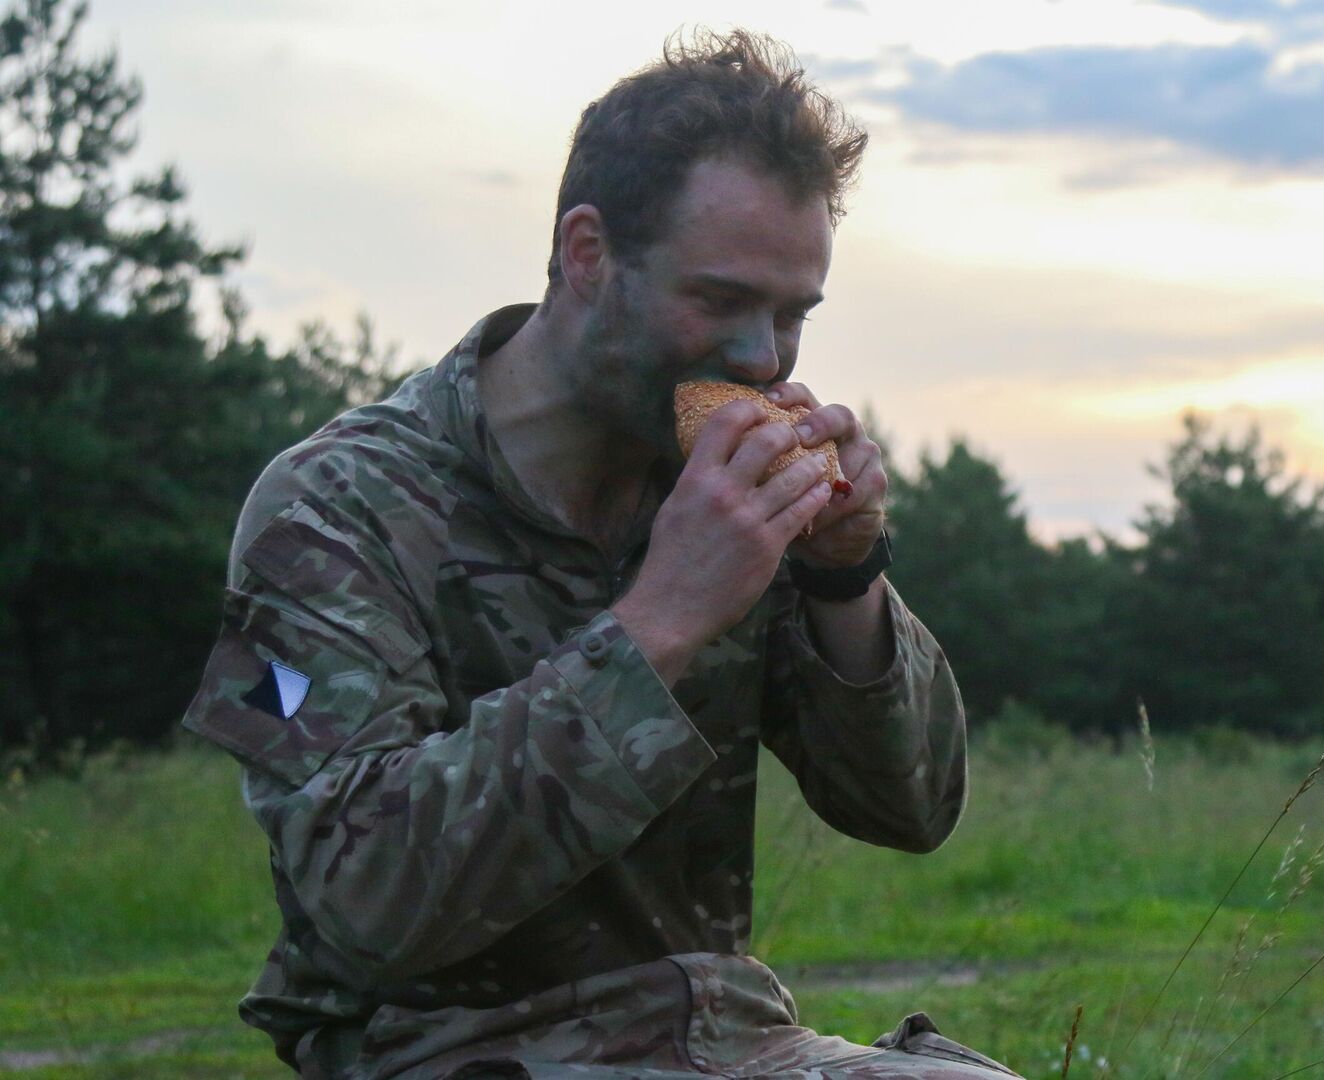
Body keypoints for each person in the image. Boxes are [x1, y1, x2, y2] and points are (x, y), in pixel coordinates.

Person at [181, 30, 1017, 1080]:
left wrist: (846, 574)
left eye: (791, 313)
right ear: (587, 254)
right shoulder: (326, 510)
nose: (762, 357)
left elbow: (911, 810)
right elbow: (358, 904)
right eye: (718, 301)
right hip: (436, 1050)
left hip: (725, 1036)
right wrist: (660, 619)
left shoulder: (715, 485)